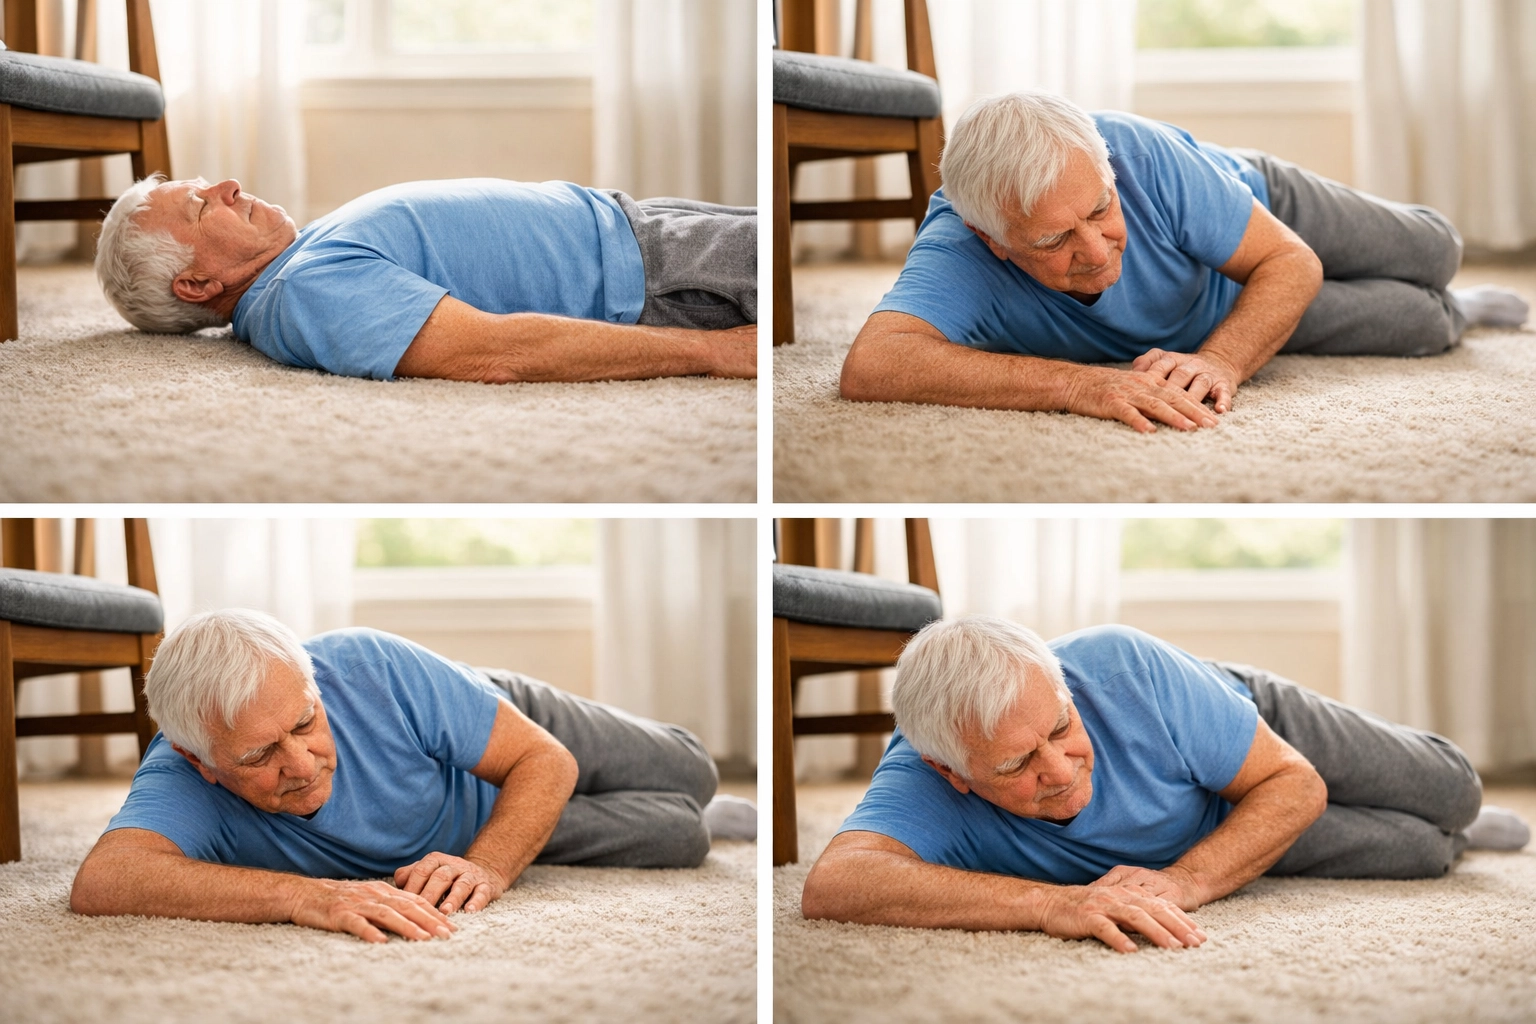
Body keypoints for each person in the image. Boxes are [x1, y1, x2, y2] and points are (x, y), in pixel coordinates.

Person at [801, 616, 1530, 953]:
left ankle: (1464, 817)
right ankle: (1460, 844)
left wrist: (1186, 882)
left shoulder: (1123, 666)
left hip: (1246, 738)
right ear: (948, 771)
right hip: (1198, 825)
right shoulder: (922, 768)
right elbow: (834, 884)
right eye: (1015, 766)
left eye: (1060, 730)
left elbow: (1292, 784)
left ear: (1066, 694)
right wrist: (1051, 905)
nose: (1057, 771)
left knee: (1453, 792)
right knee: (1425, 851)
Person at [839, 91, 1530, 433]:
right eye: (1054, 241)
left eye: (1102, 210)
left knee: (1437, 251)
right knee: (1427, 323)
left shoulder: (1140, 155)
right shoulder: (960, 245)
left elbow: (1289, 263)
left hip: (1257, 225)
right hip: (1218, 309)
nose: (1096, 248)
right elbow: (872, 365)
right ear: (993, 241)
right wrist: (1079, 386)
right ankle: (1464, 309)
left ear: (1109, 174)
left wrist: (1223, 362)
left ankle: (1449, 279)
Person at [69, 610, 756, 944]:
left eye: (306, 724)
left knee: (689, 770)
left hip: (507, 740)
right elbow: (104, 880)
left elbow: (543, 761)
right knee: (682, 835)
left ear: (315, 685)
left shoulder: (369, 665)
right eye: (258, 757)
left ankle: (694, 793)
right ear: (199, 760)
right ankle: (705, 817)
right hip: (458, 828)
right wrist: (305, 898)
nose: (301, 765)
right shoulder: (180, 771)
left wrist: (488, 867)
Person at [93, 176, 757, 383]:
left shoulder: (293, 265)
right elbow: (493, 352)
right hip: (658, 277)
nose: (227, 185)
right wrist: (714, 352)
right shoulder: (306, 292)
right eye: (201, 206)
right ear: (199, 284)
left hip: (640, 231)